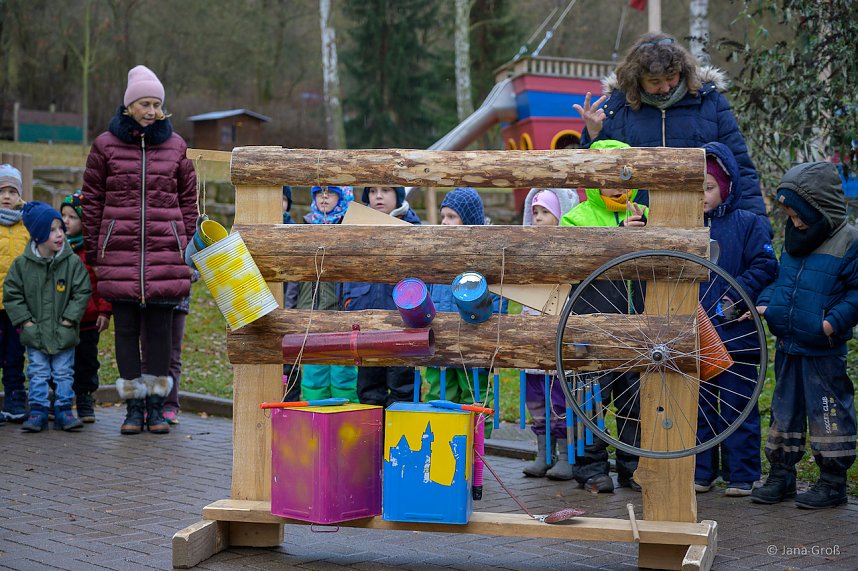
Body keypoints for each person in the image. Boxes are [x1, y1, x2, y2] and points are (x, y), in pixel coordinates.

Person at [82, 64, 197, 435]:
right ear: (128, 106)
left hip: (167, 253)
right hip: (120, 253)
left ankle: (156, 405)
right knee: (126, 331)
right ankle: (133, 406)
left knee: (161, 334)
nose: (151, 111)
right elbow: (93, 200)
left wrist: (188, 244)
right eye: (144, 104)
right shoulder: (104, 146)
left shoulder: (176, 146)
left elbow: (188, 201)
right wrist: (95, 249)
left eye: (156, 104)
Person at [574, 32, 769, 227]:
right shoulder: (617, 109)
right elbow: (596, 181)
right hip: (640, 227)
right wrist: (593, 134)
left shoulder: (710, 102)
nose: (666, 88)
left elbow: (740, 168)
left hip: (705, 225)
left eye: (671, 77)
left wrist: (758, 227)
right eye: (655, 82)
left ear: (682, 70)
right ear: (637, 80)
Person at [751, 162, 858, 509]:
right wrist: (768, 303)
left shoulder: (849, 241)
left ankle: (832, 481)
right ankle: (782, 474)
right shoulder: (795, 237)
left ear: (821, 208)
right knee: (784, 411)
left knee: (829, 415)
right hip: (788, 344)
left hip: (823, 350)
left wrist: (832, 323)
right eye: (790, 215)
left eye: (800, 215)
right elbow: (783, 281)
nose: (795, 222)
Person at [559, 139, 648, 492]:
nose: (615, 186)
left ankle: (632, 467)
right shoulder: (575, 217)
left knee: (634, 401)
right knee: (589, 400)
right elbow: (571, 263)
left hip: (636, 324)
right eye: (607, 177)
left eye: (622, 177)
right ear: (593, 180)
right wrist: (617, 240)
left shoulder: (643, 212)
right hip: (590, 327)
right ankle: (590, 469)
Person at [693, 143, 777, 497]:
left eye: (709, 188)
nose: (703, 197)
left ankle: (742, 475)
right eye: (695, 190)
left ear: (726, 185)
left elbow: (766, 265)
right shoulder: (686, 228)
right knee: (697, 410)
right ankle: (701, 471)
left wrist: (736, 294)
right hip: (694, 336)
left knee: (736, 406)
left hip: (736, 334)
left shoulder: (748, 223)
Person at [3, 202, 92, 432]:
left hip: (63, 330)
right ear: (38, 235)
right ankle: (38, 410)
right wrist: (26, 322)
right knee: (37, 371)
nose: (60, 234)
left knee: (64, 371)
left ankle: (63, 409)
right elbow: (12, 294)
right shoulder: (23, 265)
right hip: (36, 332)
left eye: (61, 228)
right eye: (53, 230)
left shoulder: (71, 262)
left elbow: (82, 291)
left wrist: (70, 319)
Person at [424, 187, 505, 437]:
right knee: (440, 391)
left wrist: (491, 330)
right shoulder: (437, 253)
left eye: (452, 217)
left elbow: (498, 296)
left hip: (473, 338)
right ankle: (443, 439)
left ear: (468, 219)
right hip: (441, 339)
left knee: (475, 394)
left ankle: (476, 446)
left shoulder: (486, 255)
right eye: (443, 216)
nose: (445, 223)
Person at [341, 186, 421, 406]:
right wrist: (349, 302)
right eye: (372, 191)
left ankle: (401, 438)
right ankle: (372, 438)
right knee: (368, 389)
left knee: (403, 387)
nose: (378, 196)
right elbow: (346, 271)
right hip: (365, 319)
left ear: (398, 196)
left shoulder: (413, 228)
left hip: (401, 323)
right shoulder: (354, 228)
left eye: (385, 190)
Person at [519, 188, 579, 479]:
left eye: (546, 212)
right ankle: (543, 451)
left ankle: (566, 454)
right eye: (536, 213)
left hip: (558, 327)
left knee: (559, 393)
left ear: (561, 215)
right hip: (532, 328)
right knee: (535, 392)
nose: (539, 218)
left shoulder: (568, 251)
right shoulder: (525, 250)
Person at [297, 186, 358, 402]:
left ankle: (345, 423)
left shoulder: (351, 228)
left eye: (331, 193)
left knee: (343, 372)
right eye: (319, 192)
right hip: (309, 311)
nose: (324, 197)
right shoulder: (304, 227)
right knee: (313, 373)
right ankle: (314, 421)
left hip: (340, 311)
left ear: (343, 197)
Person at [60, 192, 111, 423]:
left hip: (88, 319)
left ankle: (85, 398)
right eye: (63, 216)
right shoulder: (56, 248)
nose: (66, 221)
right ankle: (59, 399)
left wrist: (104, 311)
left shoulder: (92, 251)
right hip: (61, 319)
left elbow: (102, 284)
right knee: (61, 361)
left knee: (87, 361)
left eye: (72, 217)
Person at [0, 164, 30, 425]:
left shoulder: (26, 225)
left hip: (18, 306)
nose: (7, 196)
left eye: (12, 191)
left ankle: (15, 398)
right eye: (2, 191)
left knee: (14, 354)